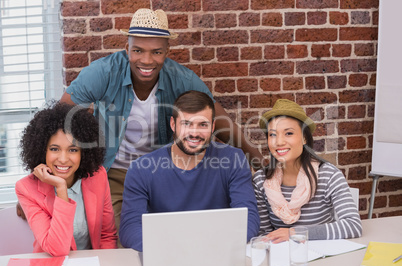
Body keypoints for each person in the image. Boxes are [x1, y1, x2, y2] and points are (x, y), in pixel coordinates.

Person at [58, 8, 264, 233]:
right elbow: (59, 119)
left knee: (172, 232)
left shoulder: (181, 79)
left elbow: (221, 122)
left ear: (167, 51)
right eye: (138, 50)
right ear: (127, 49)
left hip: (162, 170)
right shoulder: (104, 72)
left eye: (156, 52)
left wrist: (262, 165)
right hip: (116, 170)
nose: (146, 61)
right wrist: (37, 184)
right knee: (122, 236)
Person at [119, 91, 260, 251]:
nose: (194, 133)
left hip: (218, 253)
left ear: (213, 126)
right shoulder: (141, 169)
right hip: (165, 257)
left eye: (203, 125)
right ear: (173, 125)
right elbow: (130, 228)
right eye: (187, 124)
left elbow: (248, 218)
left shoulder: (234, 160)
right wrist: (172, 251)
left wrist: (211, 248)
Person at [15, 102, 117, 256]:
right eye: (54, 149)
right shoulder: (26, 188)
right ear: (42, 150)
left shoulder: (97, 176)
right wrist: (61, 188)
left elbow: (107, 235)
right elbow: (57, 249)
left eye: (73, 150)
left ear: (84, 152)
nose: (63, 159)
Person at [253, 99, 362, 243]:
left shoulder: (328, 175)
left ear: (304, 138)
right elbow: (264, 234)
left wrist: (295, 233)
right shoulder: (261, 180)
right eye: (272, 134)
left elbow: (353, 225)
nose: (278, 142)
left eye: (289, 133)